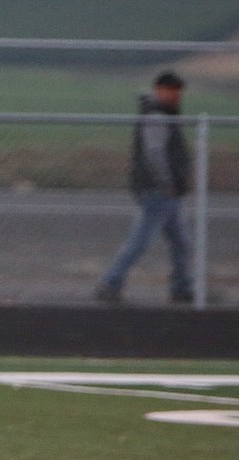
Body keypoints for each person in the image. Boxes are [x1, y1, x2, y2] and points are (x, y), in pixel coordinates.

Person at [96, 71, 194, 304]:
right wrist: (167, 183)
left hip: (164, 190)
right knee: (141, 240)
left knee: (180, 241)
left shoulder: (163, 113)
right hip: (158, 190)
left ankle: (181, 287)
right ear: (160, 89)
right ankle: (111, 282)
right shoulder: (157, 116)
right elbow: (155, 153)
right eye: (173, 91)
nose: (177, 97)